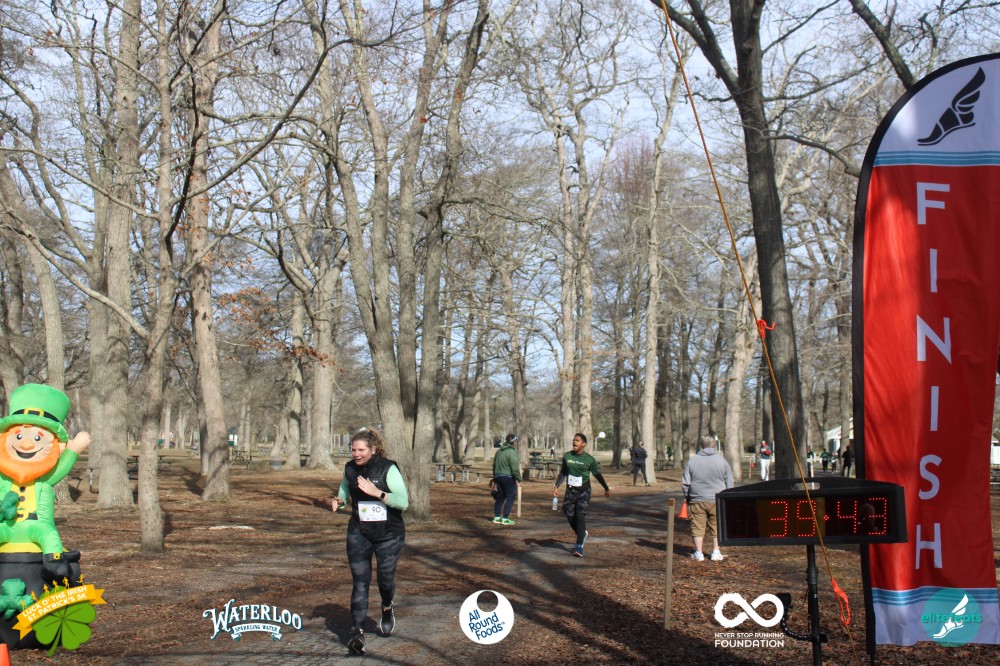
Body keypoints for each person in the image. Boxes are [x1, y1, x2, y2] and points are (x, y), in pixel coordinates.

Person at [331, 428, 409, 655]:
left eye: (361, 450)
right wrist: (340, 500)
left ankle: (387, 607)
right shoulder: (349, 468)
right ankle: (357, 633)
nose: (356, 454)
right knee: (360, 581)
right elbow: (344, 490)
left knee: (385, 579)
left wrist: (378, 493)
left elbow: (404, 502)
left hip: (389, 534)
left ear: (373, 450)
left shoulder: (388, 468)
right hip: (360, 532)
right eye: (353, 450)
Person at [553, 433, 610, 557]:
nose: (574, 442)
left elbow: (597, 474)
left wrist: (606, 488)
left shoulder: (589, 459)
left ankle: (579, 546)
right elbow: (563, 472)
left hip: (584, 491)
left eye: (577, 440)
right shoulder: (567, 456)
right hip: (570, 491)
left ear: (583, 444)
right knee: (568, 514)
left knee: (580, 515)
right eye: (574, 440)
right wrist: (556, 486)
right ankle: (582, 533)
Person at [682, 436, 734, 562]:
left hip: (697, 498)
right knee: (717, 526)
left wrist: (687, 496)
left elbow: (686, 483)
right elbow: (729, 481)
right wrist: (728, 497)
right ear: (714, 445)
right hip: (718, 499)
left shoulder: (692, 461)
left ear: (701, 446)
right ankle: (716, 552)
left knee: (697, 527)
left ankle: (699, 553)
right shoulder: (722, 461)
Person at [492, 434, 522, 525]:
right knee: (510, 496)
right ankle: (505, 518)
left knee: (500, 496)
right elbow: (515, 468)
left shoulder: (499, 451)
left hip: (498, 476)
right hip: (508, 477)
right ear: (513, 442)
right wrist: (519, 479)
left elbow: (494, 465)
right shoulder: (512, 452)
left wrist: (495, 476)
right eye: (515, 441)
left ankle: (497, 517)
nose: (516, 443)